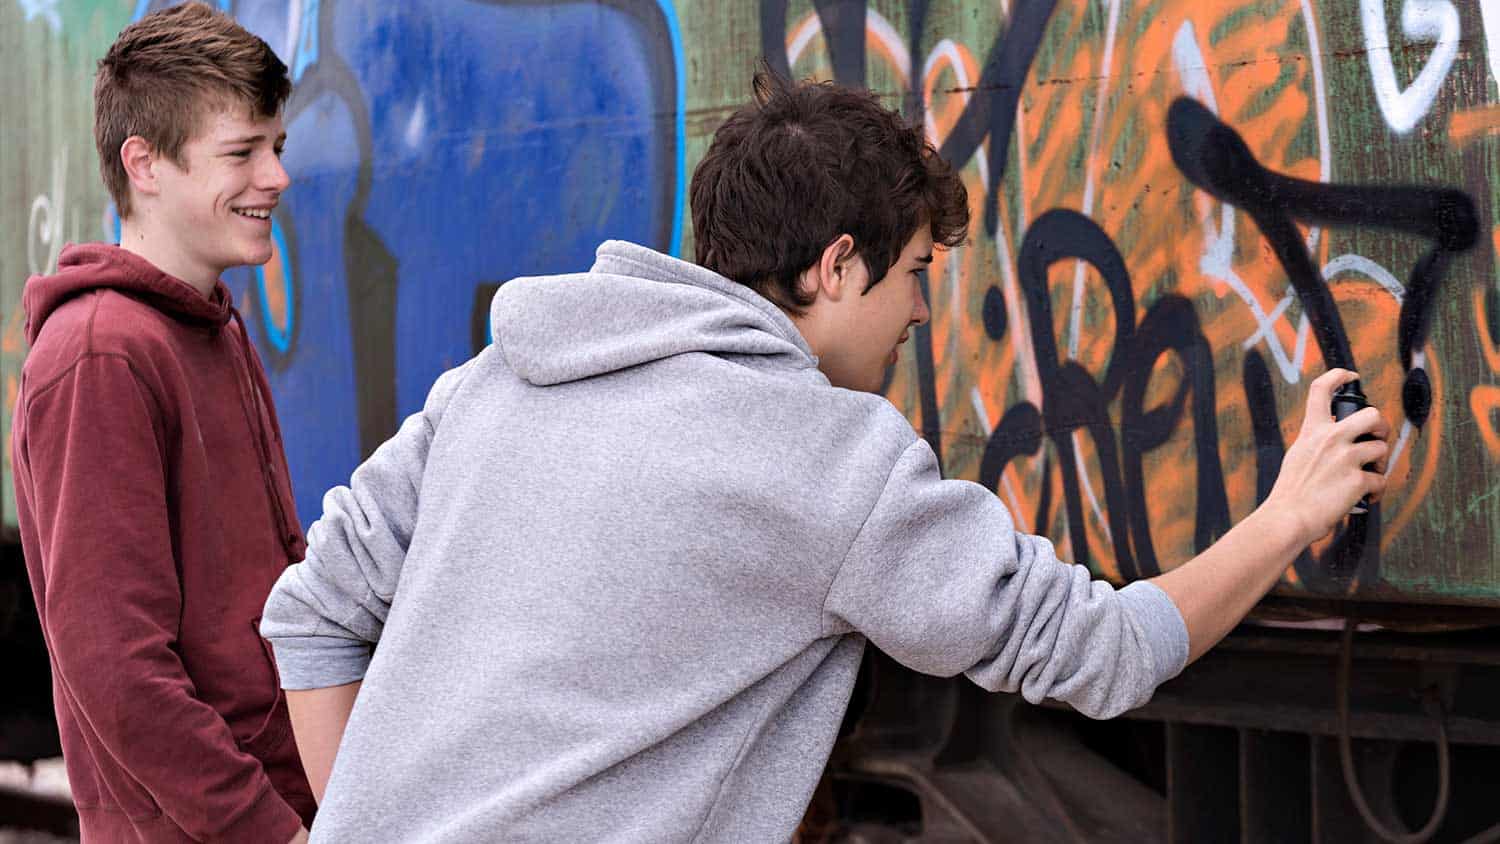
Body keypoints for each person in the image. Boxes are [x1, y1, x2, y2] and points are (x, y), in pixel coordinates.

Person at [261, 72, 1389, 841]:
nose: (919, 317)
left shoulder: (498, 380)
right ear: (836, 267)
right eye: (912, 276)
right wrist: (1291, 512)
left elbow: (312, 611)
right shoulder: (824, 456)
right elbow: (1099, 653)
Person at [11, 3, 315, 841]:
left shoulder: (208, 323)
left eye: (277, 149)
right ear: (144, 164)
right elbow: (115, 667)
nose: (276, 177)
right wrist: (270, 829)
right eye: (243, 152)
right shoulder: (104, 353)